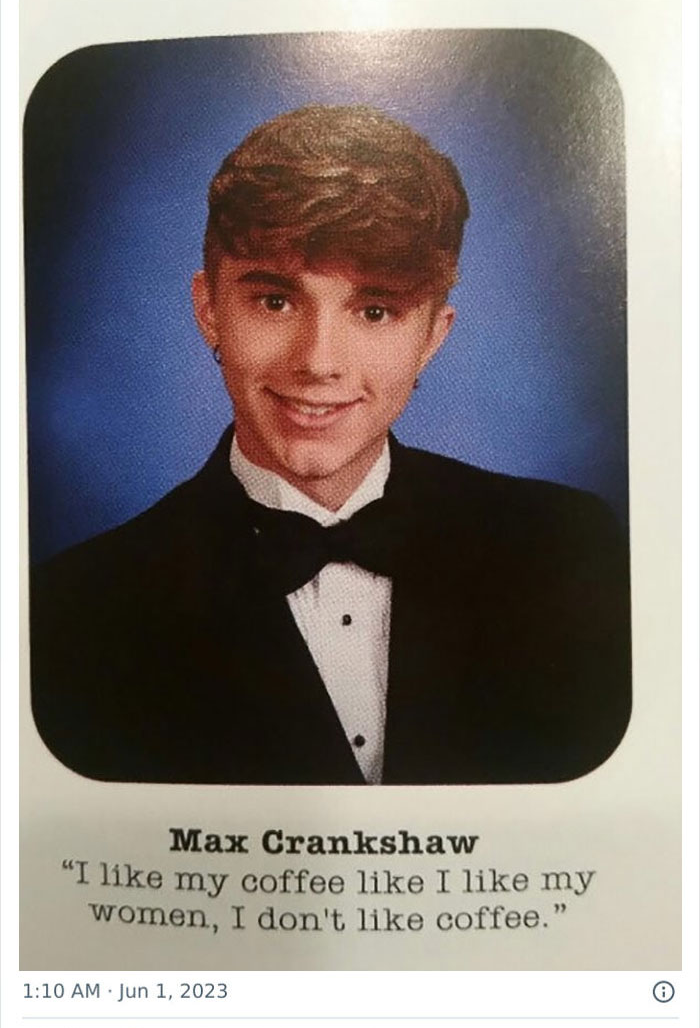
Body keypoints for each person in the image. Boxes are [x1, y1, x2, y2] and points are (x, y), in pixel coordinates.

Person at [30, 105, 631, 785]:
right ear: (209, 311)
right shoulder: (72, 611)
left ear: (433, 336)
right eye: (275, 302)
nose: (318, 362)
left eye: (375, 311)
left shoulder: (568, 547)